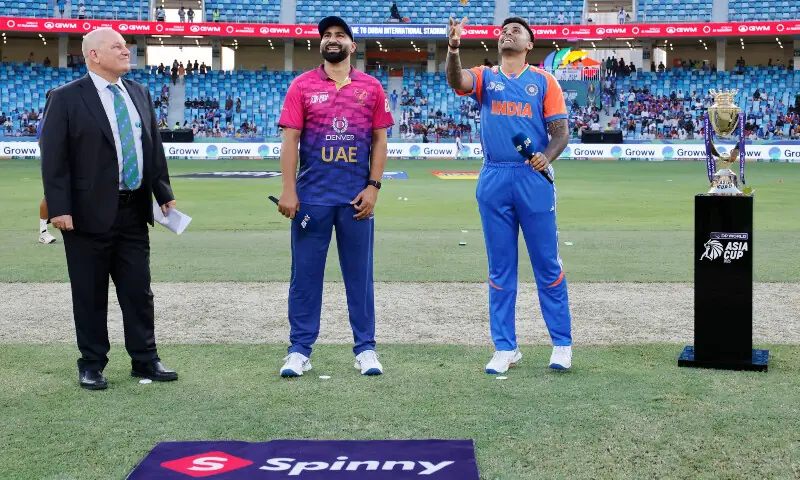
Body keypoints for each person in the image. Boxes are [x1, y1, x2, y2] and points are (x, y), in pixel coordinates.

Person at [40, 28, 179, 391]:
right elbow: (54, 160)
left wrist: (162, 191)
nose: (125, 51)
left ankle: (145, 360)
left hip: (134, 210)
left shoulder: (139, 93)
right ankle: (91, 363)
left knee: (138, 291)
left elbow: (153, 149)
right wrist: (59, 208)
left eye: (125, 46)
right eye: (116, 47)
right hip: (85, 214)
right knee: (89, 292)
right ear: (93, 56)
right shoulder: (66, 98)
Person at [445, 16, 573, 373]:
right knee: (500, 269)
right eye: (503, 31)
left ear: (530, 44)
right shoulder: (486, 77)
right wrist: (454, 48)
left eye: (516, 31)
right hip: (494, 176)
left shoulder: (544, 81)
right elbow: (457, 80)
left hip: (532, 178)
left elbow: (560, 131)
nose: (507, 33)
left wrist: (544, 157)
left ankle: (561, 343)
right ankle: (505, 347)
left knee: (547, 264)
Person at [276, 16, 394, 378]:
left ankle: (366, 349)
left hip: (356, 201)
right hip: (312, 200)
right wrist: (289, 190)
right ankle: (299, 350)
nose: (332, 39)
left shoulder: (371, 87)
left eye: (340, 35)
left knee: (359, 276)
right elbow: (290, 140)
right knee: (305, 277)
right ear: (321, 44)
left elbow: (379, 140)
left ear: (352, 46)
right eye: (326, 35)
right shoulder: (302, 85)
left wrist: (373, 187)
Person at [36, 89, 57, 245]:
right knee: (50, 196)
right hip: (55, 163)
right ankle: (43, 232)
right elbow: (41, 142)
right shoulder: (46, 119)